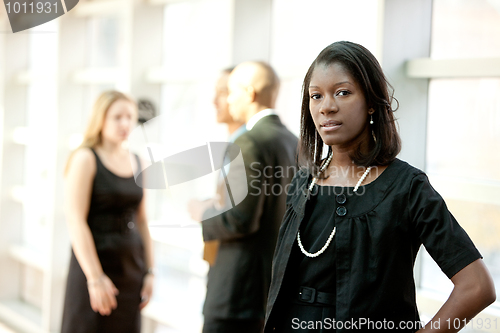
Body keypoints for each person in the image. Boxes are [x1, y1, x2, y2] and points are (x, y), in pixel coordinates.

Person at [264, 41, 496, 333]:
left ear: (371, 101)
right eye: (316, 96)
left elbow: (477, 287)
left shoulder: (407, 187)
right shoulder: (303, 181)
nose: (327, 107)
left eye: (343, 92)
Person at [189, 61, 298, 333]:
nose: (228, 99)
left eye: (232, 91)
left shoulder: (248, 141)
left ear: (249, 93)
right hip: (271, 287)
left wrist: (201, 214)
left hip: (236, 291)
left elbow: (241, 218)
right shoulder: (294, 142)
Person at [61, 90, 155, 333]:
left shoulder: (138, 161)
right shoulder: (85, 158)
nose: (125, 123)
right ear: (101, 119)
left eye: (129, 117)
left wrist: (150, 271)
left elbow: (143, 221)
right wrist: (95, 277)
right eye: (117, 117)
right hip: (94, 264)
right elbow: (75, 220)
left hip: (131, 268)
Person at [198, 67, 247, 267]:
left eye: (223, 92)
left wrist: (202, 213)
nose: (214, 101)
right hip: (219, 259)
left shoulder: (249, 148)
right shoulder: (232, 143)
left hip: (236, 265)